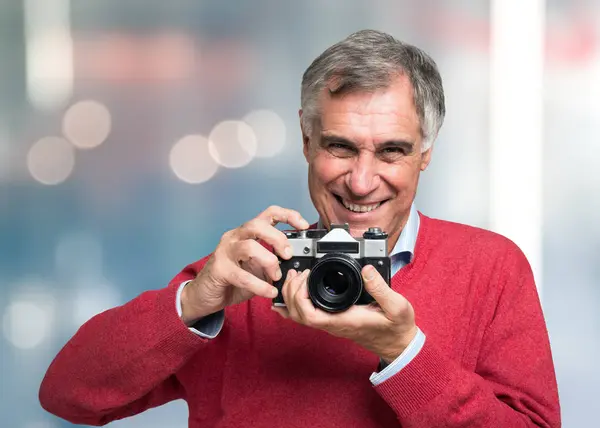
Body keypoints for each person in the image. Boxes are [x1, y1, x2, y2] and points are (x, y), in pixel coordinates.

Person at [39, 29, 560, 427]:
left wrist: (406, 353)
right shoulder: (253, 269)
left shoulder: (489, 267)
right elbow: (67, 394)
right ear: (307, 141)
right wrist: (193, 302)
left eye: (392, 151)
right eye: (340, 146)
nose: (361, 181)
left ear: (425, 154)